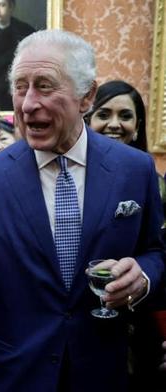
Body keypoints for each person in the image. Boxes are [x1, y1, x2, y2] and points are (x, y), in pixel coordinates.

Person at [0, 29, 165, 392]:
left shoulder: (135, 169)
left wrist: (144, 275)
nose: (26, 104)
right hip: (15, 372)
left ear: (86, 95)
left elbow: (154, 252)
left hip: (100, 370)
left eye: (44, 85)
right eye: (20, 87)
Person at [86, 80, 166, 391]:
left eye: (126, 115)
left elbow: (160, 256)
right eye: (104, 113)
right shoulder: (70, 180)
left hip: (143, 324)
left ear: (138, 124)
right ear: (88, 119)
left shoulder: (158, 185)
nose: (115, 124)